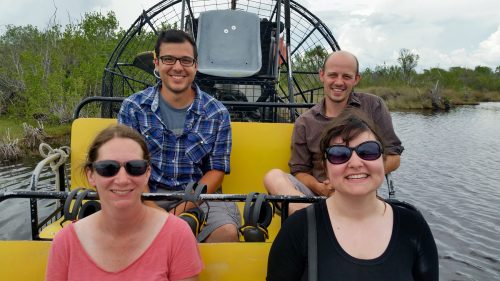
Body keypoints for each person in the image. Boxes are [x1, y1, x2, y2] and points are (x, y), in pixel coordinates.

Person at [267, 109, 438, 281]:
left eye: (368, 151)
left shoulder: (414, 228)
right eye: (339, 154)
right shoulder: (298, 230)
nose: (356, 163)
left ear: (383, 160)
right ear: (326, 169)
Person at [118, 29, 240, 242]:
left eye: (185, 60)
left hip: (201, 198)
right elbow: (127, 166)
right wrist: (151, 208)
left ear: (196, 65)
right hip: (145, 194)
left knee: (226, 233)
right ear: (156, 63)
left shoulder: (217, 113)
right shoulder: (133, 107)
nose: (177, 67)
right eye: (168, 59)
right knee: (120, 234)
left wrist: (179, 212)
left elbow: (216, 172)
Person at [45, 124, 203, 281]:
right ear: (91, 175)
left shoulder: (177, 235)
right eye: (108, 168)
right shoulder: (65, 243)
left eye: (135, 167)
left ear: (147, 173)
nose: (122, 180)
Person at [264, 50, 404, 214]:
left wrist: (354, 178)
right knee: (273, 176)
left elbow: (394, 158)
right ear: (322, 75)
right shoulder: (305, 122)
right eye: (333, 75)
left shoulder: (373, 106)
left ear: (356, 79)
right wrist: (320, 187)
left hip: (360, 192)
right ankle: (312, 218)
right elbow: (300, 171)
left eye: (346, 76)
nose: (339, 82)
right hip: (318, 197)